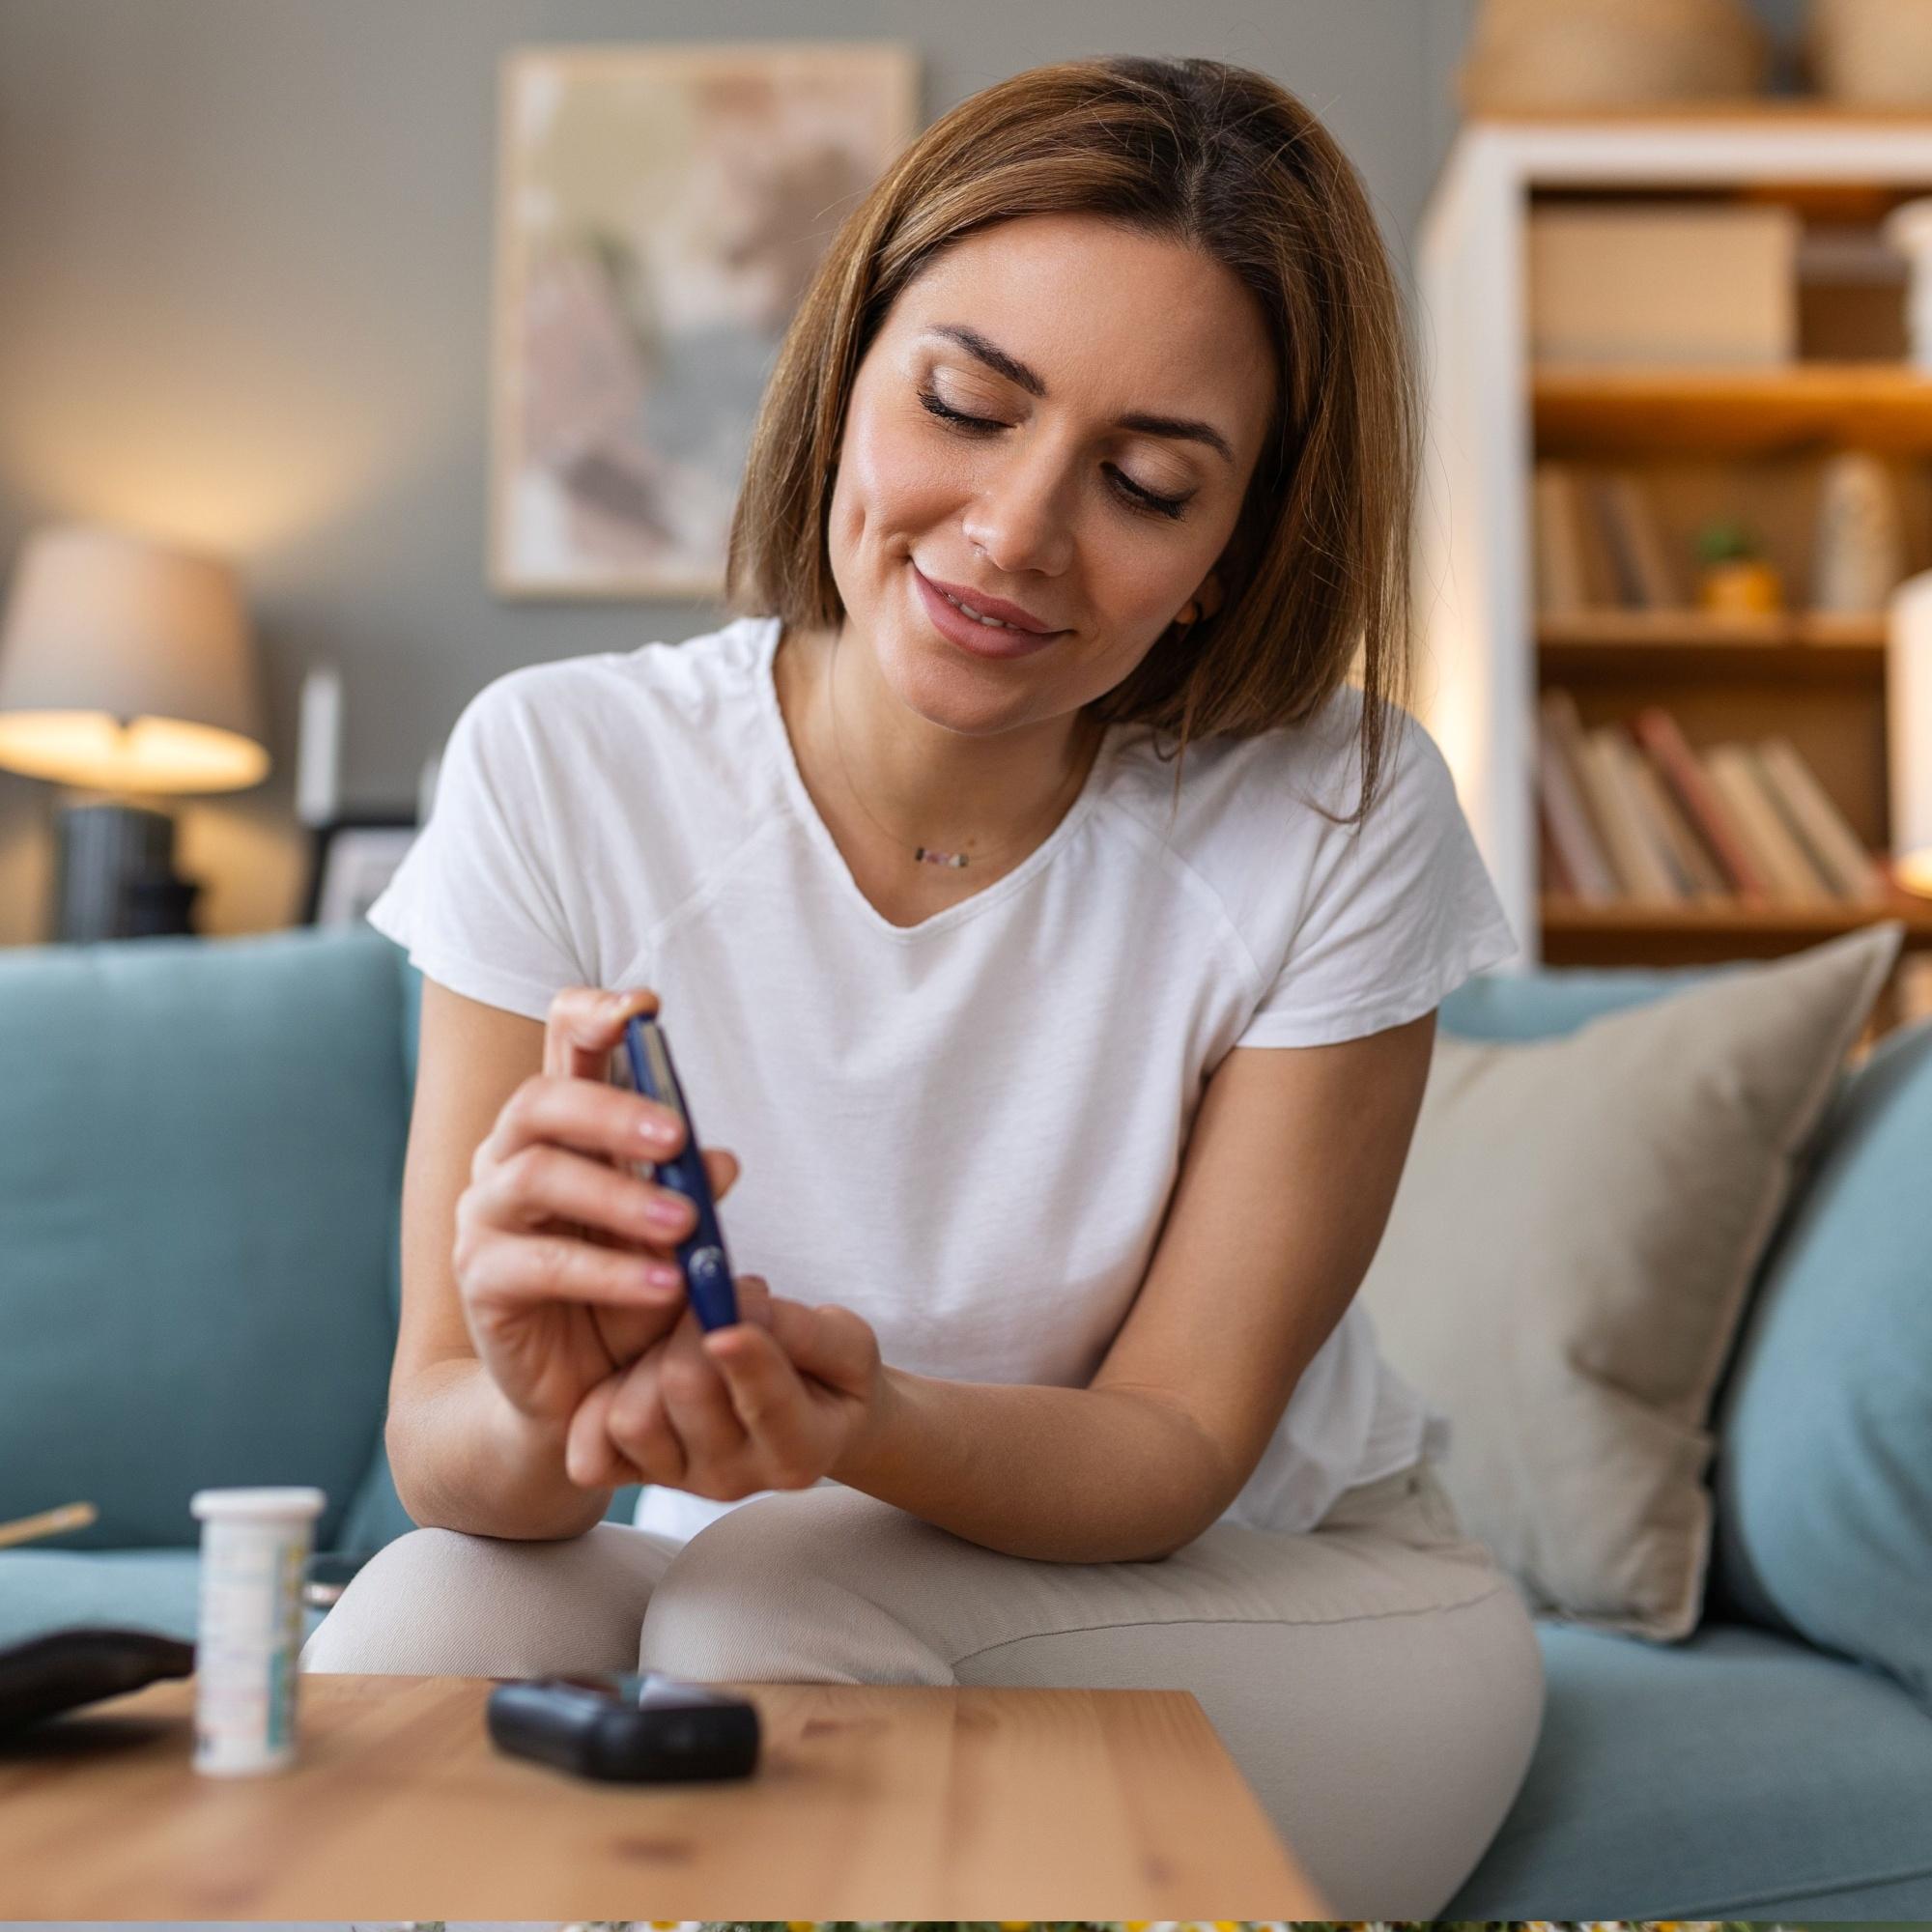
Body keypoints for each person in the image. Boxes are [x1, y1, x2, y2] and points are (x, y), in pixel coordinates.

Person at [302, 53, 1544, 1917]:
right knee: (430, 1605)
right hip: (773, 1588)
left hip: (1270, 1594)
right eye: (967, 406)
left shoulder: (1336, 809)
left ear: (1225, 558)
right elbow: (448, 1441)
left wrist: (855, 1423)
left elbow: (1173, 1446)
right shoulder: (561, 765)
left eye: (1144, 484)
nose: (1017, 530)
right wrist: (553, 1401)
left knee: (783, 1590)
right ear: (850, 367)